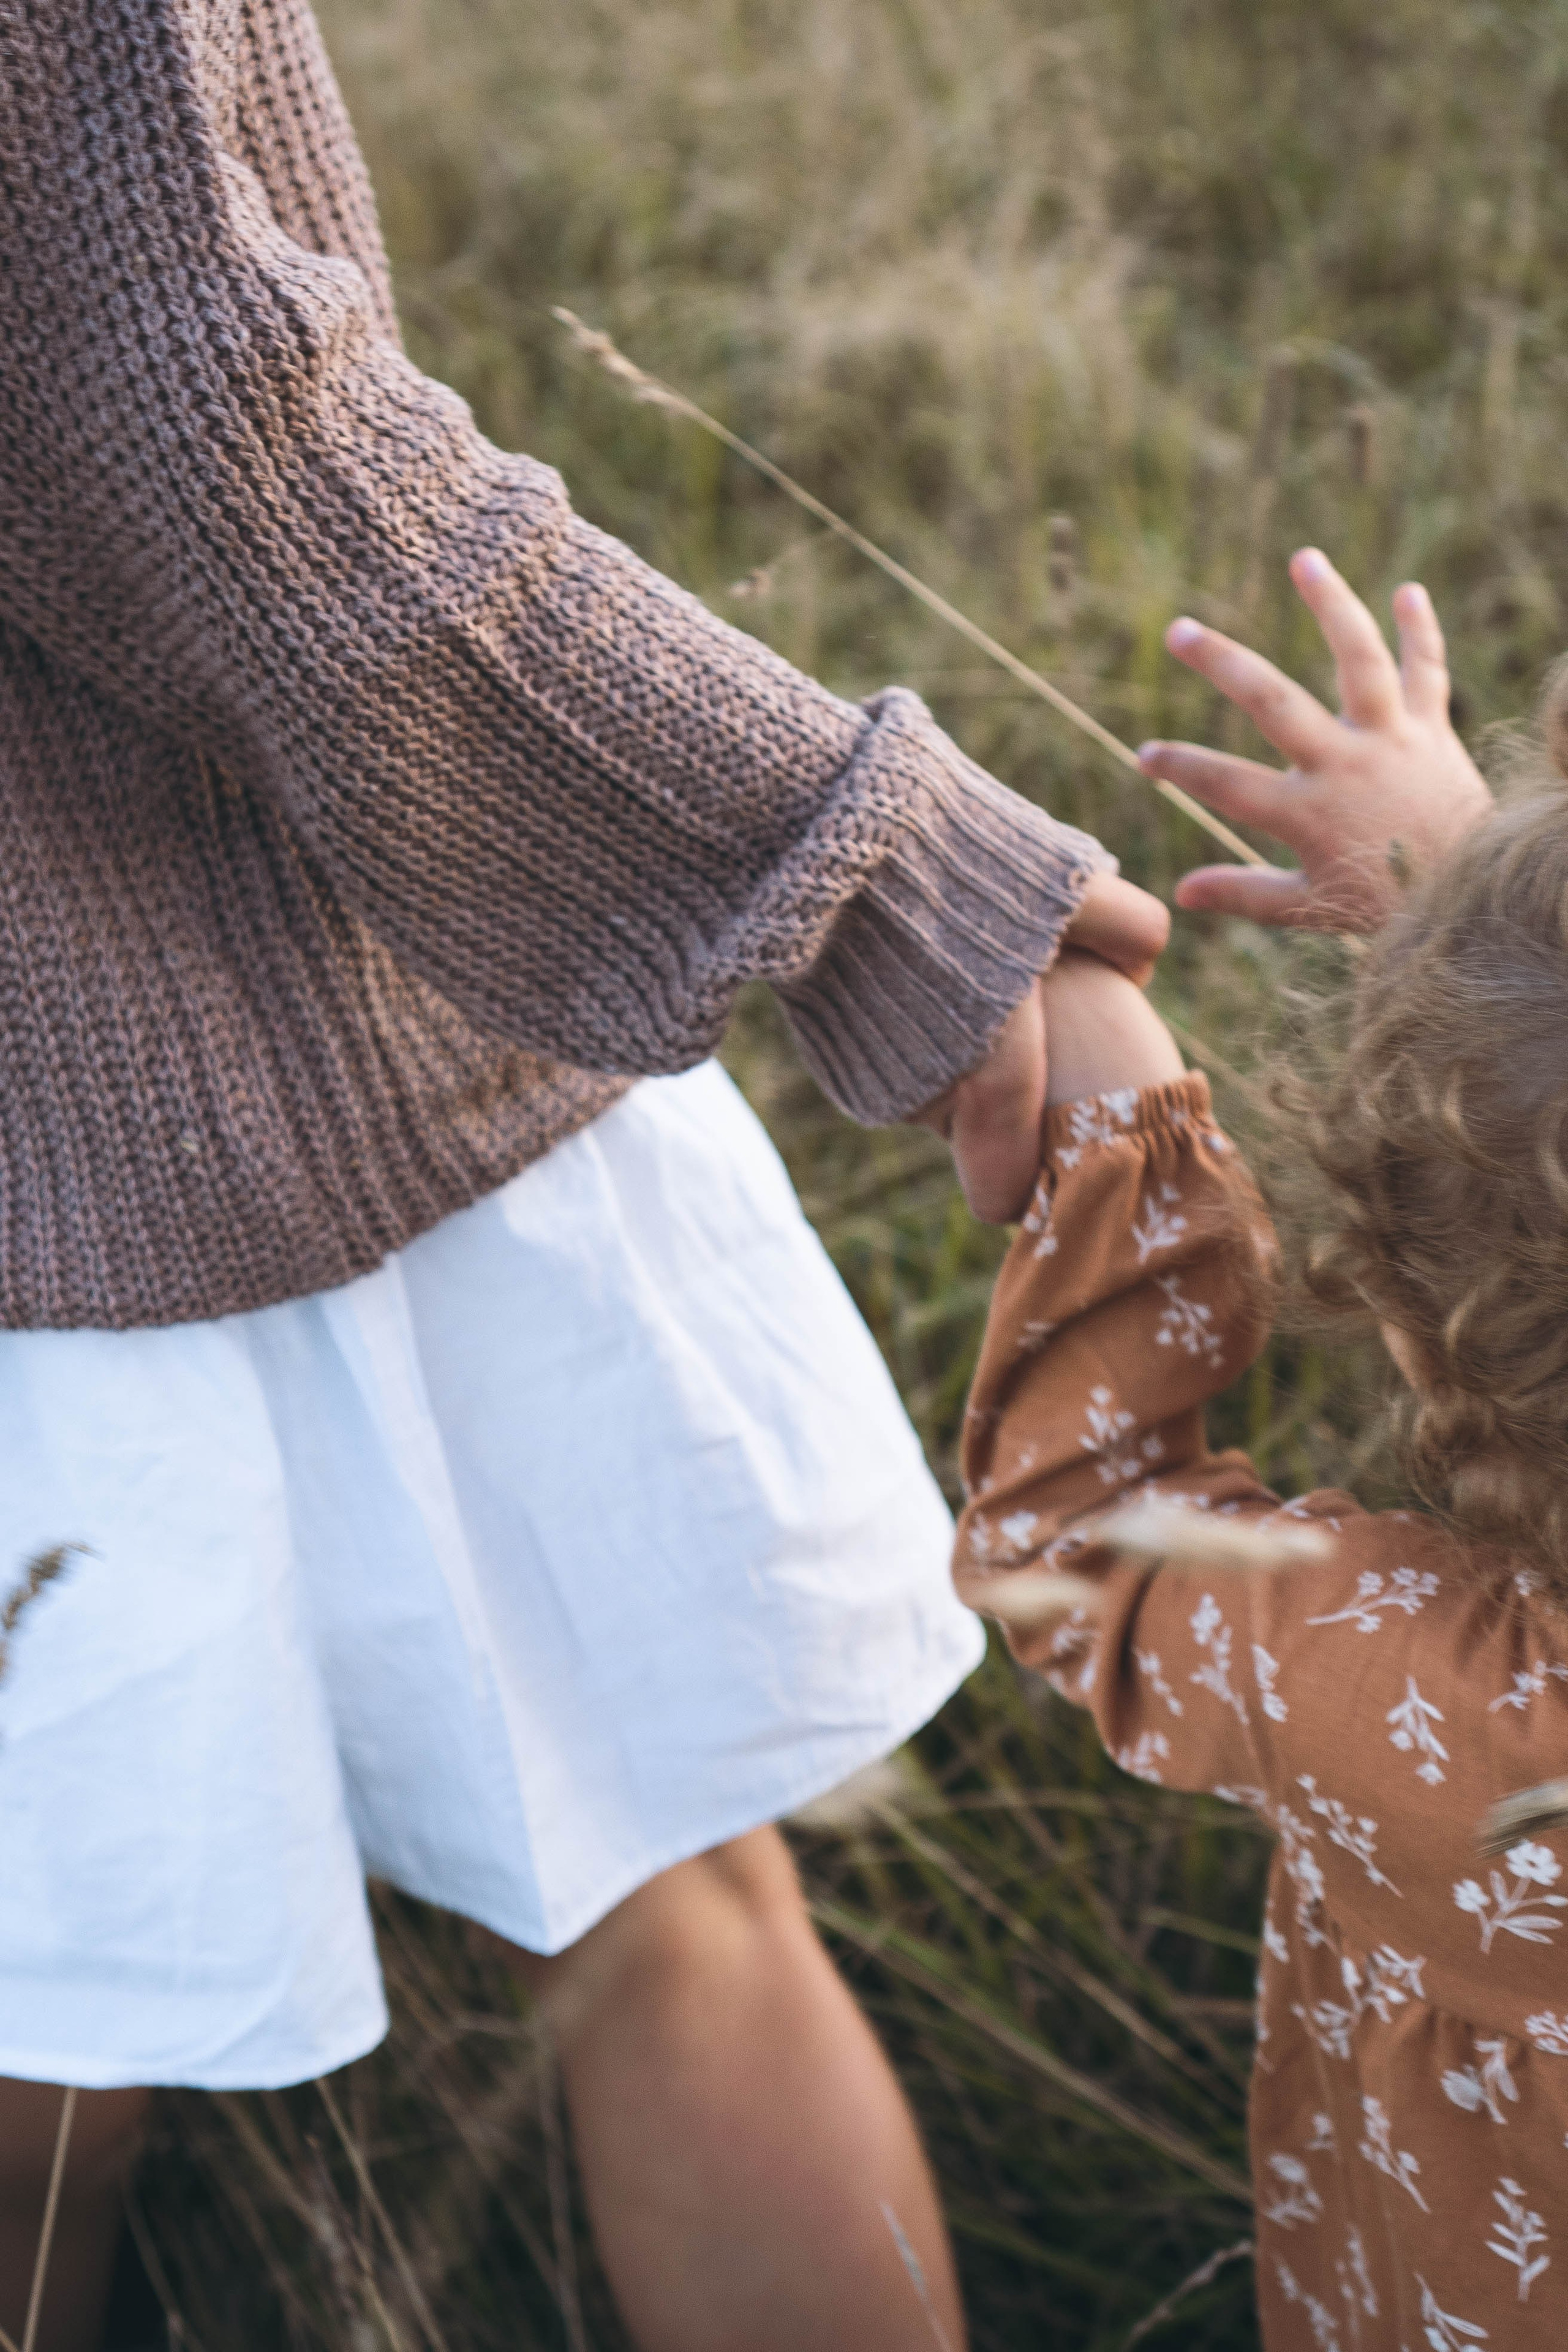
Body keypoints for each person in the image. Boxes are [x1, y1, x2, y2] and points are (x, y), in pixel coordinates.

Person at [0, 6, 1170, 2350]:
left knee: (48, 2046)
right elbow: (248, 479)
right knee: (661, 1899)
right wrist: (890, 884)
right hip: (316, 1027)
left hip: (234, 1085)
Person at [956, 569, 1568, 2345]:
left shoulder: (1427, 1699)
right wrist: (1474, 913)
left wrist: (1115, 1127)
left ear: (1414, 1323)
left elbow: (1080, 1552)